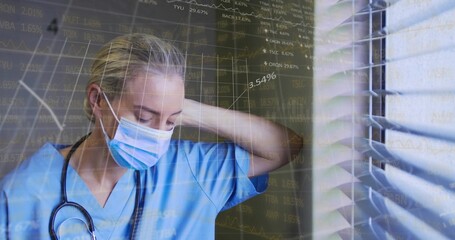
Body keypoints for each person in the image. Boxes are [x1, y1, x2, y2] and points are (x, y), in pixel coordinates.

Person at [0, 33, 303, 239]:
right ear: (98, 100)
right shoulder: (22, 193)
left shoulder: (189, 170)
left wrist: (190, 110)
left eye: (171, 121)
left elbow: (284, 146)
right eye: (144, 117)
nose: (157, 135)